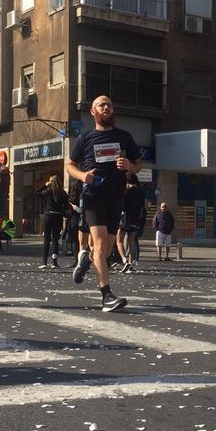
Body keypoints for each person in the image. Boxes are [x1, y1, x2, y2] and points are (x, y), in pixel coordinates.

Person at [66, 94, 141, 312]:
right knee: (99, 245)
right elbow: (70, 164)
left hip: (116, 196)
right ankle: (106, 295)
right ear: (93, 112)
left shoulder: (124, 136)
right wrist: (82, 177)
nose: (106, 107)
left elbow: (138, 165)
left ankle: (86, 260)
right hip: (93, 195)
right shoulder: (85, 138)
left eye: (109, 104)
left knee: (106, 250)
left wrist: (129, 165)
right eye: (101, 105)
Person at [36, 174, 69, 268]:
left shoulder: (48, 192)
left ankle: (44, 262)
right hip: (58, 217)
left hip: (48, 216)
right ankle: (54, 262)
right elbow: (66, 206)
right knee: (55, 240)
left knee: (46, 239)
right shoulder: (63, 193)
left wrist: (45, 185)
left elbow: (36, 193)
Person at [116, 174, 145, 273]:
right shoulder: (140, 192)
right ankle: (131, 262)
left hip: (125, 218)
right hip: (135, 218)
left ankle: (124, 260)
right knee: (131, 241)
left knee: (119, 240)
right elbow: (142, 207)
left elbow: (122, 206)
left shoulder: (126, 191)